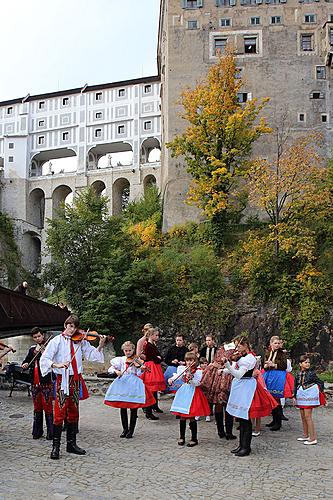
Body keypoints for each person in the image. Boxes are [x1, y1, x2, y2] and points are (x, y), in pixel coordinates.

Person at [40, 314, 106, 459]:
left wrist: (101, 344)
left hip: (75, 380)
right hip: (62, 379)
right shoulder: (56, 341)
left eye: (75, 327)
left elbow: (92, 355)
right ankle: (55, 447)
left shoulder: (80, 340)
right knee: (59, 411)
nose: (72, 329)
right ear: (65, 325)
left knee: (73, 411)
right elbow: (44, 359)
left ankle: (71, 444)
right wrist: (57, 364)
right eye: (70, 326)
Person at [223, 337, 277, 457]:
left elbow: (238, 374)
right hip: (241, 386)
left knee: (245, 419)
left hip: (246, 388)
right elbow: (235, 369)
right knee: (241, 420)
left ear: (245, 345)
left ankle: (246, 447)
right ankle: (241, 445)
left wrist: (227, 365)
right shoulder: (242, 357)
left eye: (239, 346)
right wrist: (224, 370)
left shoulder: (249, 358)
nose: (237, 349)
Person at [104, 341, 155, 438]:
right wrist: (116, 371)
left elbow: (139, 374)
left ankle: (131, 430)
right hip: (123, 383)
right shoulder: (121, 360)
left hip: (133, 384)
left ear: (133, 350)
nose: (128, 352)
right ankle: (125, 429)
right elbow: (110, 369)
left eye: (130, 350)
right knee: (122, 407)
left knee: (133, 407)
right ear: (123, 350)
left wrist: (142, 368)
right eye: (126, 351)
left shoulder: (137, 360)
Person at [169, 352, 211, 447]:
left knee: (192, 416)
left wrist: (191, 379)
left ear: (195, 361)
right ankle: (182, 437)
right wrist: (171, 379)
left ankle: (194, 438)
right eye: (187, 360)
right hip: (184, 392)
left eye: (191, 360)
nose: (188, 362)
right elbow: (177, 376)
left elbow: (197, 383)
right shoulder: (183, 369)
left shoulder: (198, 371)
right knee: (182, 416)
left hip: (193, 393)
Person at [21, 327, 54, 440]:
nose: (37, 339)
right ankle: (37, 432)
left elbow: (50, 361)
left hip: (46, 382)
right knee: (37, 408)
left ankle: (51, 433)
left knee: (48, 407)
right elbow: (26, 361)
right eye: (35, 337)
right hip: (34, 383)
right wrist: (24, 364)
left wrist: (44, 352)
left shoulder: (49, 348)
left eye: (39, 336)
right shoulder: (32, 350)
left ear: (43, 335)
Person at [200, 341, 237, 439]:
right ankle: (228, 433)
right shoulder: (234, 350)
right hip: (227, 376)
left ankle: (221, 431)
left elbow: (215, 362)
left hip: (217, 376)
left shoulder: (220, 349)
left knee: (218, 404)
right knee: (227, 404)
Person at [293, 355, 326, 445]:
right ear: (300, 364)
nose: (307, 364)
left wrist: (316, 391)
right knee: (303, 417)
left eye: (308, 362)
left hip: (308, 398)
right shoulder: (297, 374)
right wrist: (294, 396)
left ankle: (313, 438)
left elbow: (320, 382)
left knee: (308, 417)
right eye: (305, 362)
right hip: (301, 396)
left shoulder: (312, 373)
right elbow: (295, 385)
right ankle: (305, 435)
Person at [263, 336, 294, 431]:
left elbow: (284, 365)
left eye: (278, 343)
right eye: (275, 343)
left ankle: (278, 422)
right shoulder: (268, 353)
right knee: (271, 397)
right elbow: (264, 365)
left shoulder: (282, 353)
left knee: (276, 398)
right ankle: (274, 420)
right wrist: (266, 365)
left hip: (278, 376)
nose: (277, 345)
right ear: (271, 344)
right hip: (269, 375)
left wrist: (273, 365)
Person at [142, 328, 166, 419]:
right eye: (156, 335)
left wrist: (159, 357)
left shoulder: (152, 345)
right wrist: (159, 358)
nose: (157, 337)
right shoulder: (148, 345)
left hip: (154, 366)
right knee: (150, 390)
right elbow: (155, 358)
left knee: (154, 389)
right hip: (151, 367)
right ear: (151, 335)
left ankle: (154, 406)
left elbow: (159, 356)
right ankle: (148, 412)